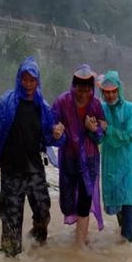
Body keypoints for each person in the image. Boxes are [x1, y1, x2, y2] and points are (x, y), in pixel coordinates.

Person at [0, 56, 65, 257]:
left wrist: (59, 134)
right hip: (11, 171)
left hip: (34, 170)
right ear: (18, 79)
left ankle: (36, 246)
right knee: (10, 219)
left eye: (32, 80)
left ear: (38, 81)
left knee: (43, 212)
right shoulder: (5, 103)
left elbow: (51, 138)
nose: (28, 84)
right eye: (24, 79)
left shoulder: (42, 106)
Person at [52, 64, 105, 245]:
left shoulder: (96, 105)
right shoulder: (62, 102)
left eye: (87, 88)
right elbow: (51, 126)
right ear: (74, 85)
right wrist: (56, 131)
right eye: (79, 87)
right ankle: (80, 234)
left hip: (89, 159)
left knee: (85, 199)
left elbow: (101, 136)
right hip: (68, 157)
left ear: (91, 87)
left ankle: (80, 242)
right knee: (66, 204)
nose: (83, 92)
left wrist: (93, 129)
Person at [98, 71, 132, 242]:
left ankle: (127, 240)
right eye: (106, 92)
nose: (110, 95)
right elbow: (97, 136)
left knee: (127, 198)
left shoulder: (130, 109)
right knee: (115, 196)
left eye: (113, 91)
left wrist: (108, 129)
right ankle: (123, 232)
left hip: (128, 161)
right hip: (110, 160)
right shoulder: (102, 109)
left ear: (119, 90)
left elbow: (130, 135)